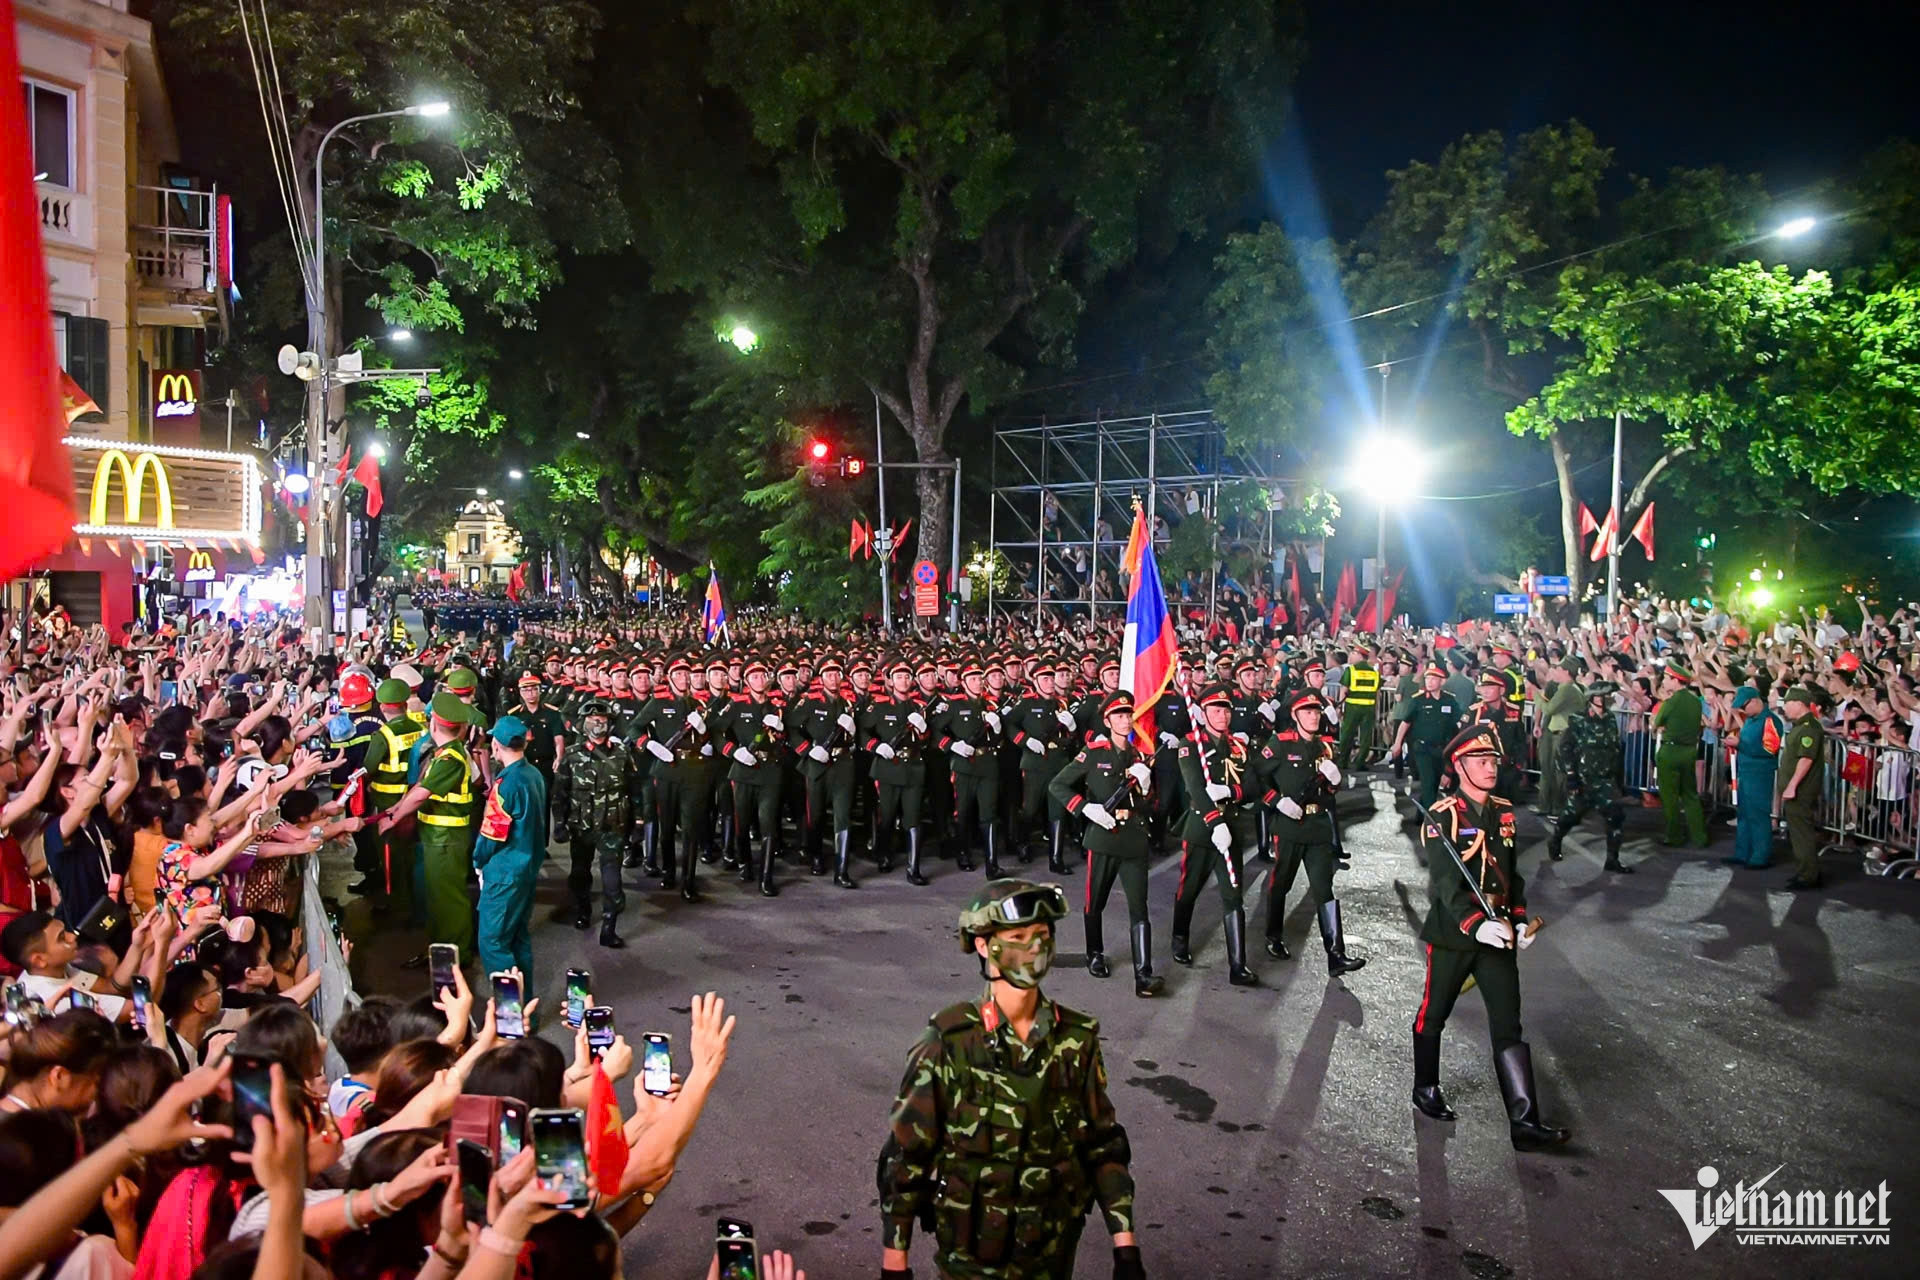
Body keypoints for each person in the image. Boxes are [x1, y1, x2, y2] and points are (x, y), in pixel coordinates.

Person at [876, 878, 1145, 1280]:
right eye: (1018, 937)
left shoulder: (1075, 1040)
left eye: (1043, 935)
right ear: (984, 945)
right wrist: (895, 1264)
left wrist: (1126, 1250)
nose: (1034, 947)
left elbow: (1103, 1146)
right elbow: (905, 1160)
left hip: (1051, 1261)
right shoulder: (949, 1043)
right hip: (969, 1266)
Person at [1410, 725, 1570, 1150]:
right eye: (1480, 761)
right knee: (1433, 1014)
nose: (1490, 768)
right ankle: (1425, 1087)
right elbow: (1446, 884)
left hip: (1498, 934)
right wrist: (1475, 923)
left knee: (1507, 1023)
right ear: (1459, 767)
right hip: (1455, 935)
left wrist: (1517, 919)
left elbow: (1511, 876)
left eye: (1493, 761)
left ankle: (1525, 1122)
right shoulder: (1444, 815)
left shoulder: (1502, 811)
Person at [1048, 693, 1161, 997]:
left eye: (1128, 715)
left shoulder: (1139, 757)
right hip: (1103, 837)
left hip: (1133, 839)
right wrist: (1086, 808)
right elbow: (1057, 784)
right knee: (1095, 901)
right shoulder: (1094, 753)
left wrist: (1146, 787)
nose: (1125, 720)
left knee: (1139, 906)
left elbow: (1152, 806)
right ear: (1107, 721)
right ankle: (1094, 953)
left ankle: (1143, 974)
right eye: (1119, 716)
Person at [1257, 691, 1366, 974]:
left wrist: (1334, 783)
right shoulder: (1281, 744)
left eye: (1316, 712)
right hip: (1289, 827)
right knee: (1281, 884)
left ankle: (1336, 954)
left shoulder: (1324, 748)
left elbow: (1328, 793)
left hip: (1317, 827)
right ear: (1295, 716)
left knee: (1323, 888)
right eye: (1307, 712)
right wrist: (1277, 801)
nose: (1314, 717)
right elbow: (1256, 777)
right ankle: (1273, 936)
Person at [377, 692, 487, 962]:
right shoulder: (448, 752)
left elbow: (421, 794)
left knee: (449, 899)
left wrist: (393, 818)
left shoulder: (450, 760)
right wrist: (396, 807)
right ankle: (440, 949)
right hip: (439, 838)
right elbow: (420, 787)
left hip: (445, 838)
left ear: (433, 723)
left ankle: (456, 955)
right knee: (438, 897)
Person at [1168, 684, 1260, 986]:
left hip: (1232, 826)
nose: (1222, 715)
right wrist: (1214, 821)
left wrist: (1230, 792)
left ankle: (1238, 965)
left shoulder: (1238, 746)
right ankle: (1179, 937)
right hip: (1203, 827)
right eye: (1215, 710)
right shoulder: (1191, 744)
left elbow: (1252, 786)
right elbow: (1195, 787)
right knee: (1190, 888)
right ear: (1203, 713)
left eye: (1225, 710)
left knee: (1233, 894)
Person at [472, 714, 549, 984]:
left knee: (493, 942)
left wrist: (478, 860)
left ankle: (510, 1009)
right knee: (518, 937)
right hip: (527, 868)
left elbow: (492, 835)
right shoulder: (534, 775)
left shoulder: (505, 786)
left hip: (504, 873)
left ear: (495, 745)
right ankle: (525, 1002)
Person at [551, 699, 633, 942]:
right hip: (581, 826)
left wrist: (638, 823)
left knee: (612, 879)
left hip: (612, 826)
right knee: (580, 874)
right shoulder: (572, 755)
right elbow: (560, 793)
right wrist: (559, 823)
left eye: (603, 720)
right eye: (592, 720)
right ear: (583, 723)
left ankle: (609, 924)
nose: (598, 724)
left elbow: (635, 789)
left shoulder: (622, 754)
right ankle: (582, 910)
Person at [1546, 681, 1633, 873]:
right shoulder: (1578, 719)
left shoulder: (1610, 719)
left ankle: (1612, 860)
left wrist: (1619, 779)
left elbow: (1615, 749)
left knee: (1616, 816)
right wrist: (1571, 776)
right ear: (1592, 698)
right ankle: (1555, 840)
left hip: (1605, 779)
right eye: (1602, 696)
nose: (1606, 699)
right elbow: (1566, 748)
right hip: (1583, 779)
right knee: (1571, 816)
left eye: (1607, 696)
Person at [1387, 663, 1464, 809]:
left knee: (1434, 784)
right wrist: (1397, 744)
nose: (1429, 682)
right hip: (1423, 749)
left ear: (1442, 681)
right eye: (1427, 678)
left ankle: (1421, 815)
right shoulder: (1418, 700)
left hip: (1442, 749)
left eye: (1433, 679)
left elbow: (1459, 722)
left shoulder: (1449, 700)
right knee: (1428, 782)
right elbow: (1405, 723)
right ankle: (1431, 818)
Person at [1724, 686, 1785, 869]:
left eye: (1744, 706)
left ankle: (1760, 856)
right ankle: (1743, 853)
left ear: (1755, 701)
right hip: (1746, 771)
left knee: (1758, 815)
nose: (1743, 710)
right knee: (1744, 814)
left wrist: (1740, 745)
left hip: (1760, 773)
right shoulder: (1751, 720)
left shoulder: (1770, 721)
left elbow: (1770, 749)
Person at [1652, 661, 1709, 847]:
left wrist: (1659, 726)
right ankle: (1699, 837)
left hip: (1670, 751)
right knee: (1690, 795)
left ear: (1676, 681)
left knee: (1670, 797)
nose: (1664, 682)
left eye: (1667, 678)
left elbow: (1656, 723)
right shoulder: (1696, 702)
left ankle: (1674, 836)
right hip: (1690, 751)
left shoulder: (1671, 702)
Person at [1776, 686, 1827, 890]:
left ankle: (1808, 875)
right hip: (1797, 789)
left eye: (1787, 704)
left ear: (1799, 704)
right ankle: (1805, 871)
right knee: (1798, 832)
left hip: (1801, 790)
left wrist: (1792, 786)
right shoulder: (1802, 726)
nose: (1785, 708)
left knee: (1801, 833)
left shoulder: (1809, 728)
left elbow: (1806, 759)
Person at [1334, 643, 1381, 771]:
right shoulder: (1374, 672)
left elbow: (1344, 690)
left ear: (1361, 656)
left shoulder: (1351, 670)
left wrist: (1339, 707)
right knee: (1366, 737)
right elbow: (1377, 693)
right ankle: (1360, 763)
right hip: (1369, 708)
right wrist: (1376, 710)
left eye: (1354, 653)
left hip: (1352, 707)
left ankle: (1343, 761)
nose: (1351, 655)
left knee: (1347, 735)